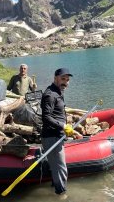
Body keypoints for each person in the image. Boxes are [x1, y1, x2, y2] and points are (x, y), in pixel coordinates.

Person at [41, 68, 78, 198]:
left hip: (57, 135)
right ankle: (61, 196)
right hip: (51, 137)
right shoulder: (50, 95)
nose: (66, 82)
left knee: (56, 168)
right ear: (55, 78)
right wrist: (63, 126)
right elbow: (46, 117)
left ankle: (55, 190)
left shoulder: (59, 92)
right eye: (63, 79)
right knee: (61, 168)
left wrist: (66, 128)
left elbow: (57, 113)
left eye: (67, 80)